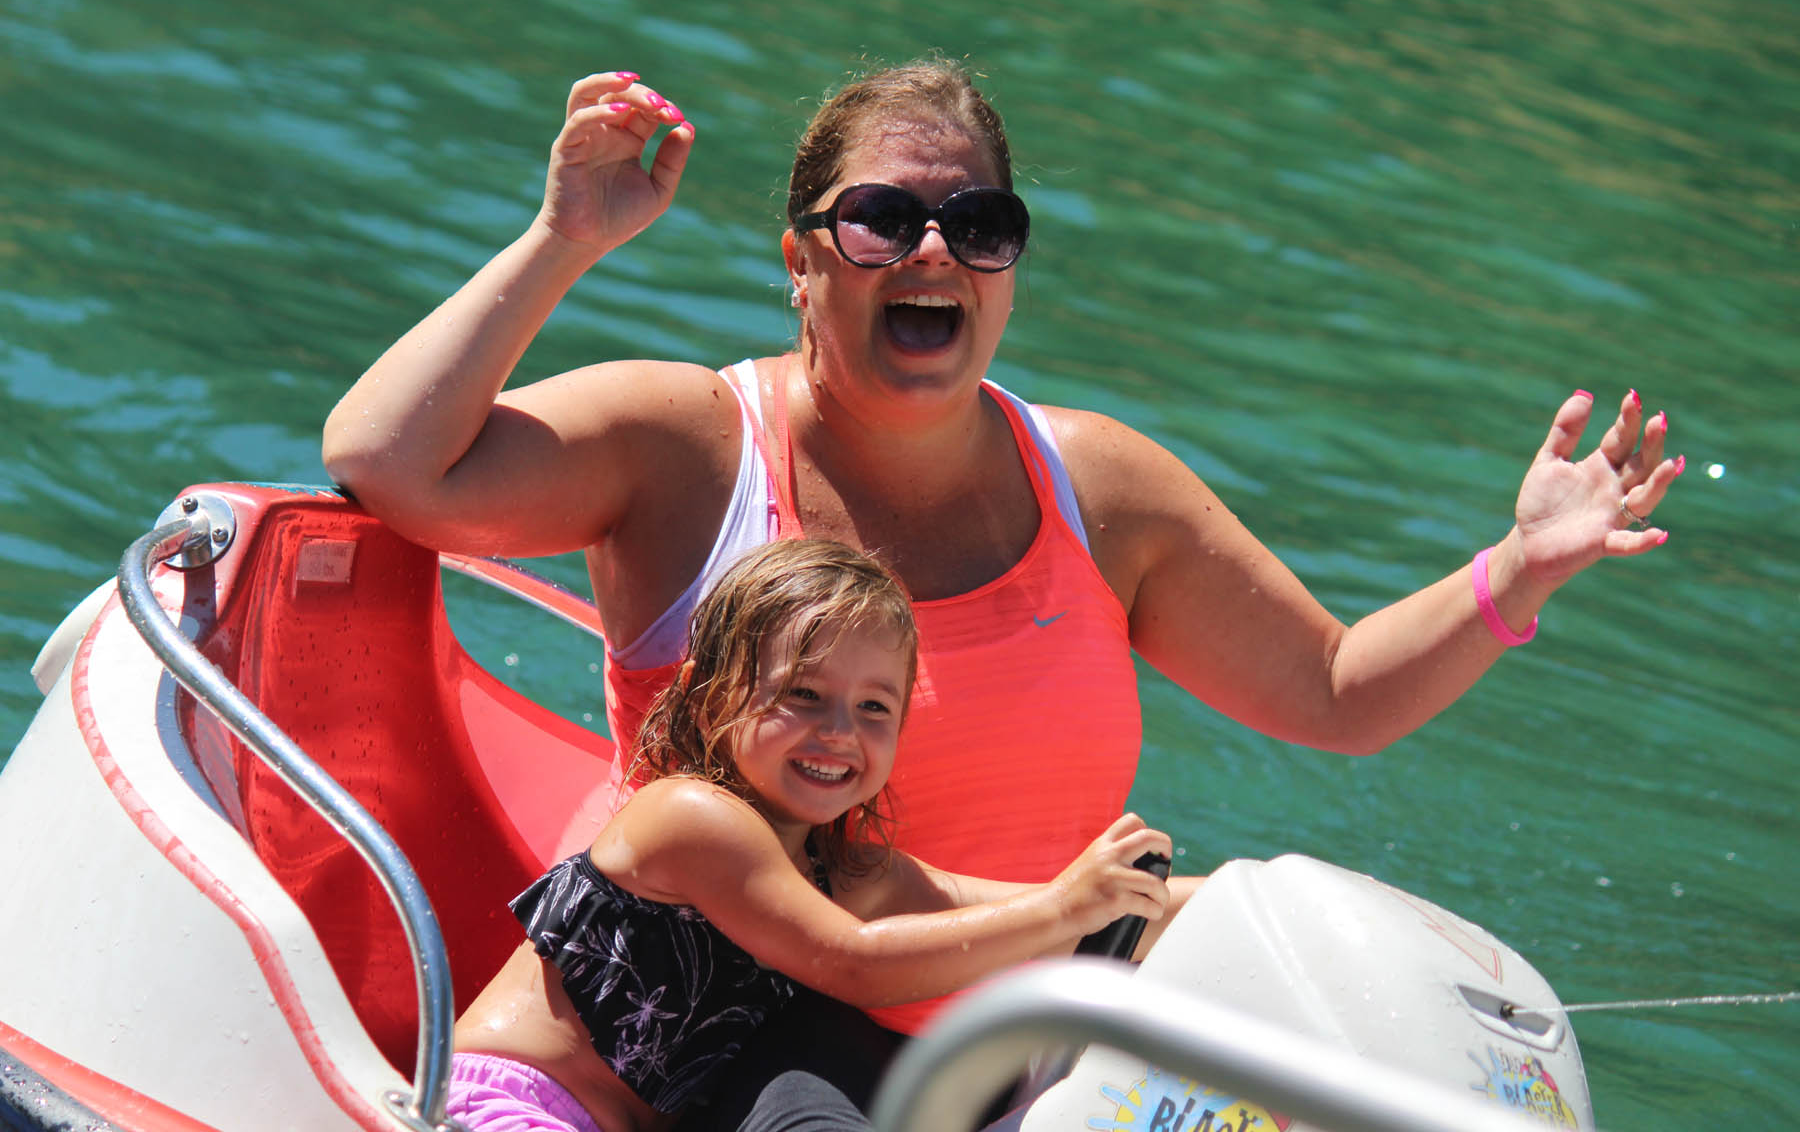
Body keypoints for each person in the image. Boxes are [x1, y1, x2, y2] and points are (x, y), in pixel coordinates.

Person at [321, 55, 1680, 1119]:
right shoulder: (688, 445)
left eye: (979, 223)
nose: (933, 252)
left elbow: (1333, 693)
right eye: (882, 220)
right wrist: (568, 233)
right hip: (743, 1057)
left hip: (1042, 1057)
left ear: (1012, 267)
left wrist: (1518, 570)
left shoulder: (1101, 486)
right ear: (800, 260)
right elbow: (390, 463)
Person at [446, 538, 1172, 1132]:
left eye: (874, 707)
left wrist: (1185, 895)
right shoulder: (690, 817)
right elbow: (850, 962)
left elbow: (1022, 907)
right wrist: (1067, 910)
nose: (838, 732)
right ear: (708, 698)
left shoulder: (841, 871)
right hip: (512, 1104)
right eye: (803, 694)